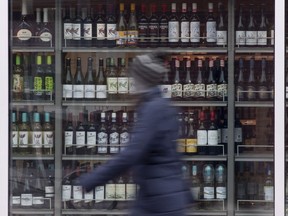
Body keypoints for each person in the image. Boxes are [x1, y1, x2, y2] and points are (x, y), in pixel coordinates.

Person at [79, 53, 192, 215]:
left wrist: (93, 179)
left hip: (159, 199)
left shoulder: (153, 109)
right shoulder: (163, 105)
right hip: (161, 194)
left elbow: (132, 153)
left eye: (133, 77)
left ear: (141, 80)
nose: (132, 82)